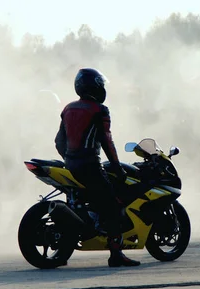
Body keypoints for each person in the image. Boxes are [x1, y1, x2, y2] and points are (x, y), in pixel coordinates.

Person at [54, 68, 140, 267]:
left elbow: (59, 141)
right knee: (113, 204)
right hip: (90, 166)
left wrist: (69, 158)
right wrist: (117, 167)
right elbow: (107, 141)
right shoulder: (99, 110)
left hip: (70, 166)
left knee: (81, 202)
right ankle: (116, 254)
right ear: (94, 86)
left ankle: (69, 242)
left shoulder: (68, 108)